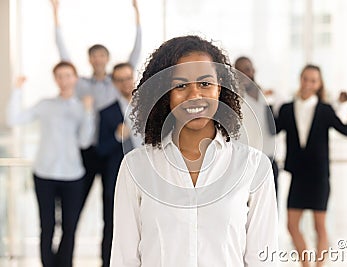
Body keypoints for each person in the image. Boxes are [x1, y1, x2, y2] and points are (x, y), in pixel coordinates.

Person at [110, 36, 278, 266]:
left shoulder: (253, 166)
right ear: (165, 93)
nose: (194, 95)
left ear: (219, 88)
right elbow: (124, 258)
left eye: (205, 84)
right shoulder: (136, 166)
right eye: (180, 86)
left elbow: (263, 259)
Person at [50, 0, 142, 210]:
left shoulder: (115, 82)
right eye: (94, 56)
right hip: (88, 148)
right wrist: (55, 15)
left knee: (110, 202)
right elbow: (64, 55)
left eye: (101, 55)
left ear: (107, 58)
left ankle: (108, 243)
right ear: (89, 60)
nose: (98, 59)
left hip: (111, 147)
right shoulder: (81, 84)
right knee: (76, 202)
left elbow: (135, 53)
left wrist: (137, 13)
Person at [271, 64, 347, 267]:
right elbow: (273, 130)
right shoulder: (286, 108)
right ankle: (306, 265)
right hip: (298, 176)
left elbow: (346, 130)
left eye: (313, 80)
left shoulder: (325, 109)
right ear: (300, 79)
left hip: (319, 177)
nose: (308, 84)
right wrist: (268, 103)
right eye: (305, 79)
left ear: (319, 84)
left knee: (319, 226)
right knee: (291, 225)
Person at [6, 62, 94, 267]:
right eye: (60, 76)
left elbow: (85, 141)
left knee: (70, 227)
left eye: (68, 76)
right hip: (44, 173)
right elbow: (13, 119)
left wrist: (88, 113)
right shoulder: (45, 104)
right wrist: (17, 89)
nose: (64, 80)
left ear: (75, 78)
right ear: (55, 79)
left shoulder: (82, 107)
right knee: (46, 226)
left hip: (73, 175)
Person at [97, 63, 142, 267]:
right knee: (112, 226)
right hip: (116, 179)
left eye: (128, 78)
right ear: (114, 83)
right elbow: (100, 149)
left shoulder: (148, 108)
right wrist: (117, 135)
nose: (126, 83)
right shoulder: (106, 113)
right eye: (120, 79)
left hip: (146, 177)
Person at [234, 56, 279, 196]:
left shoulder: (266, 97)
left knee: (270, 209)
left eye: (247, 69)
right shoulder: (235, 99)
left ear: (253, 71)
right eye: (239, 71)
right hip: (245, 163)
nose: (244, 74)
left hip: (268, 160)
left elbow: (275, 128)